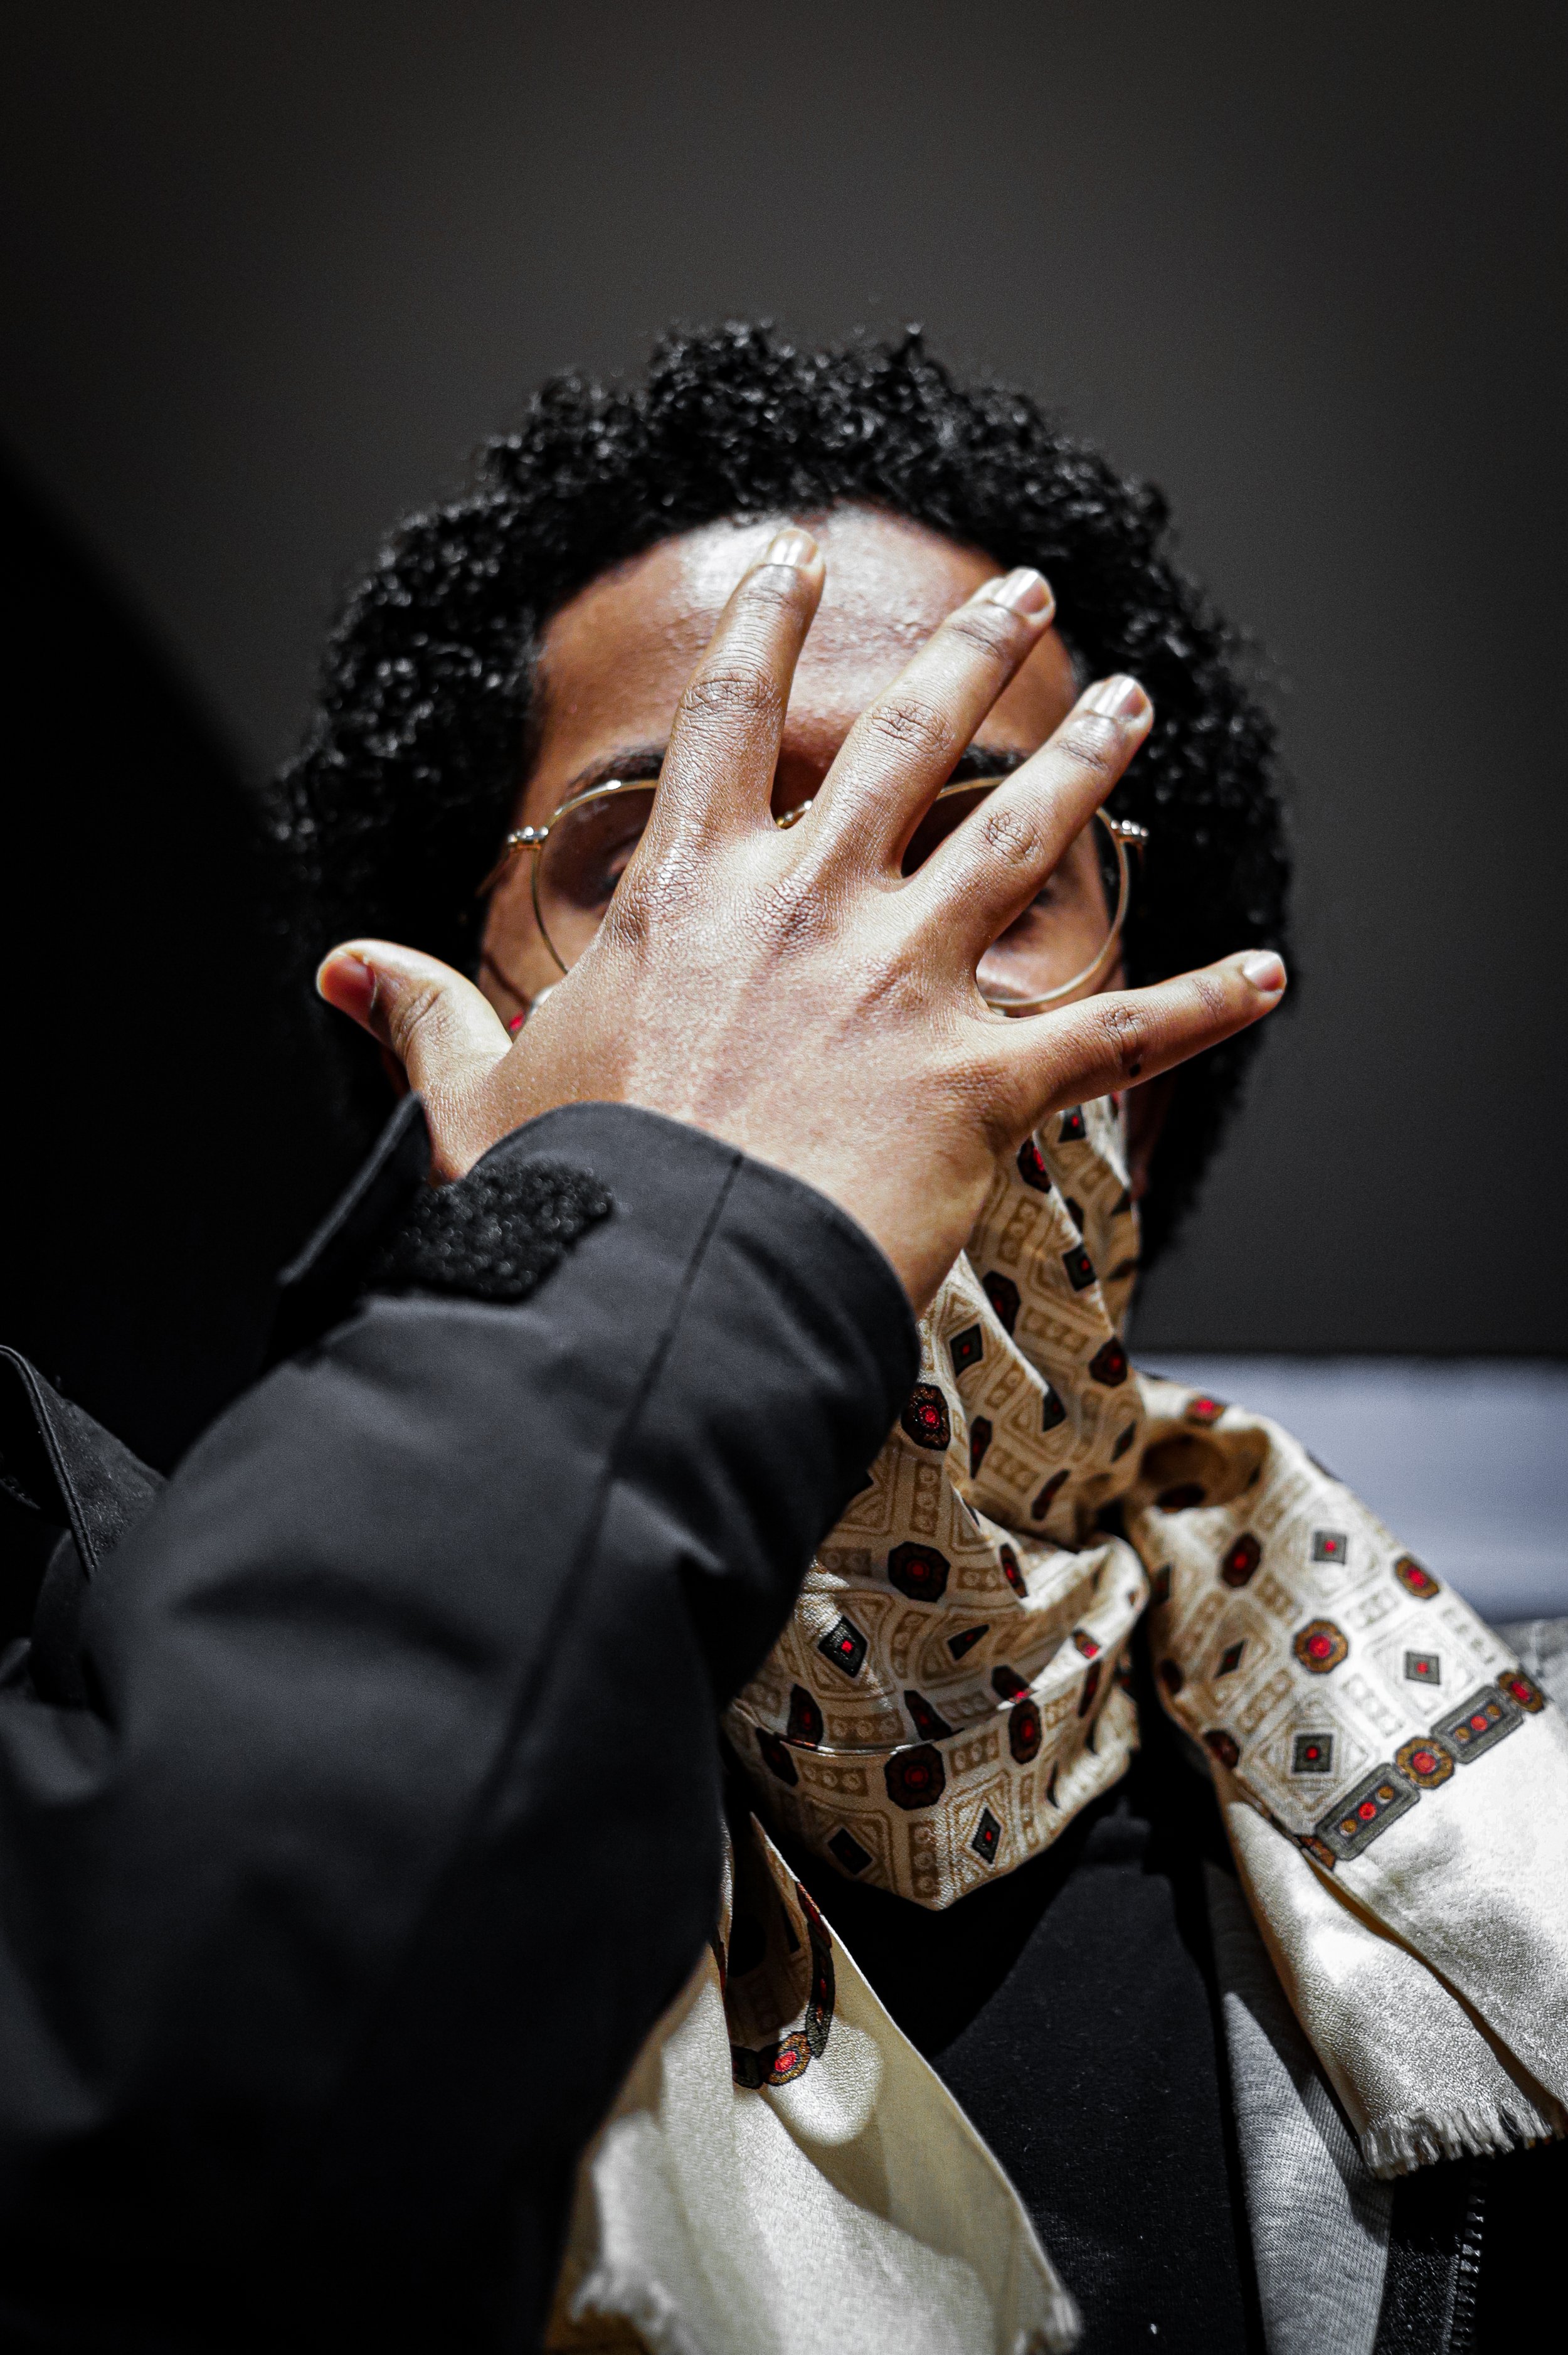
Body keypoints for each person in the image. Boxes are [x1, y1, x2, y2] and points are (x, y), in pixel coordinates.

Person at [290, 329, 1566, 2353]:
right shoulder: (161, 1729)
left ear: (1145, 1064)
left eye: (982, 857)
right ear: (445, 1044)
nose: (835, 971)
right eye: (661, 857)